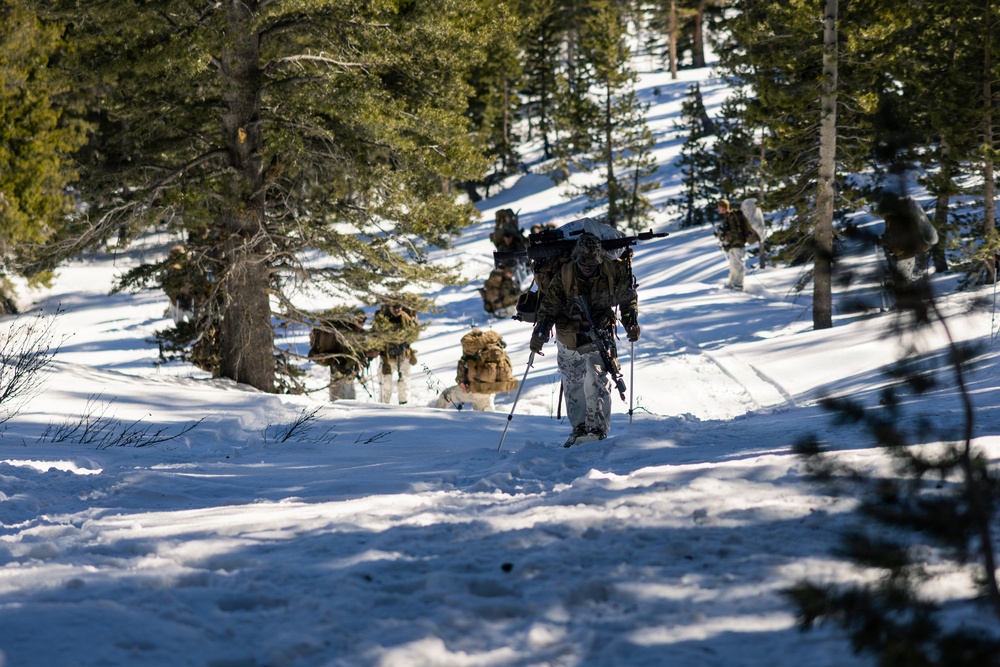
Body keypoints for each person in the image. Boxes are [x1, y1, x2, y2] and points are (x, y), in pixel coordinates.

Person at [529, 232, 639, 447]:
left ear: (600, 259)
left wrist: (631, 323)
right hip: (568, 333)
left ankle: (597, 430)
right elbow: (549, 305)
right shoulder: (565, 273)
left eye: (592, 262)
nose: (588, 266)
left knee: (598, 378)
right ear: (575, 258)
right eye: (583, 262)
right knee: (573, 382)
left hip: (601, 331)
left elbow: (628, 299)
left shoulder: (612, 270)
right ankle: (578, 429)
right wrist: (540, 334)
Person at [432, 329, 519, 411]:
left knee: (447, 394)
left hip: (478, 389)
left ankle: (434, 418)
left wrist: (461, 382)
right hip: (494, 386)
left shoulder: (472, 351)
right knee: (484, 411)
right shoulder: (495, 345)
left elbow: (462, 369)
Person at [308, 309, 369, 400]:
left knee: (350, 399)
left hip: (350, 371)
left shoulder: (360, 333)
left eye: (364, 320)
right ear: (353, 319)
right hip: (338, 369)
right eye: (359, 320)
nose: (362, 322)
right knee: (337, 401)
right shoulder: (343, 331)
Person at [370, 303, 420, 405]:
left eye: (399, 307)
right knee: (386, 383)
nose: (397, 310)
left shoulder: (405, 318)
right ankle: (384, 404)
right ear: (389, 307)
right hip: (387, 356)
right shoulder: (383, 319)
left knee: (404, 381)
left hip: (403, 354)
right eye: (395, 307)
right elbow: (375, 334)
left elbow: (413, 334)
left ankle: (403, 403)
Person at [714, 199, 760, 290]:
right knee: (733, 264)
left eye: (719, 207)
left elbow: (736, 232)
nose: (718, 209)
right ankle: (732, 283)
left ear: (724, 207)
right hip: (733, 244)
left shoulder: (734, 216)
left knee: (738, 264)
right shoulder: (727, 217)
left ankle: (738, 285)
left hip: (738, 242)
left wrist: (726, 235)